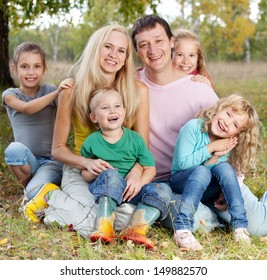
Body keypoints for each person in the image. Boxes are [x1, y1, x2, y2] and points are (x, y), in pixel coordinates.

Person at [131, 14, 267, 238]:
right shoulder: (132, 84)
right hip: (168, 182)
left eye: (158, 41)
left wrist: (233, 179)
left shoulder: (198, 88)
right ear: (137, 51)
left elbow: (232, 132)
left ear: (171, 41)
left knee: (260, 227)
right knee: (198, 223)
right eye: (144, 45)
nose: (153, 50)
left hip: (211, 176)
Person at [23, 24, 151, 240]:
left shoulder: (138, 91)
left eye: (121, 50)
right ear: (95, 49)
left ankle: (59, 204)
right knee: (94, 223)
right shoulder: (72, 89)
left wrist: (138, 171)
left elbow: (143, 148)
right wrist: (86, 163)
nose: (113, 55)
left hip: (119, 172)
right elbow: (58, 149)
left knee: (116, 219)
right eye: (107, 47)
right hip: (81, 170)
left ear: (126, 58)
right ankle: (50, 197)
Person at [80, 88, 171, 249]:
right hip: (108, 187)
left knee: (162, 188)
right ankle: (105, 225)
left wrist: (139, 184)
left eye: (117, 106)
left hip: (132, 189)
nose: (112, 111)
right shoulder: (91, 142)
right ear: (94, 117)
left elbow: (150, 168)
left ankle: (137, 229)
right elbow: (85, 174)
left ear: (124, 111)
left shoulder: (135, 139)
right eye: (105, 107)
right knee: (111, 175)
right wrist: (95, 172)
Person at [170, 94, 261, 250]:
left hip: (205, 188)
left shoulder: (226, 142)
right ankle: (182, 228)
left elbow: (213, 171)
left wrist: (217, 157)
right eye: (228, 114)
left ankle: (240, 227)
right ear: (219, 108)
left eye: (235, 125)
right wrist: (211, 148)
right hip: (181, 182)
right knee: (201, 172)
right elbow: (183, 164)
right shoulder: (193, 127)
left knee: (225, 168)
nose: (227, 123)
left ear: (237, 134)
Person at [2, 42, 69, 205]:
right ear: (14, 68)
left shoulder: (48, 90)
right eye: (24, 67)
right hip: (27, 161)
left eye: (36, 66)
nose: (31, 72)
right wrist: (57, 92)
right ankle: (30, 188)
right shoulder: (10, 94)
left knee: (36, 192)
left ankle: (38, 188)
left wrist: (66, 90)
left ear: (43, 68)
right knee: (13, 149)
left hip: (51, 161)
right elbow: (27, 108)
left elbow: (69, 109)